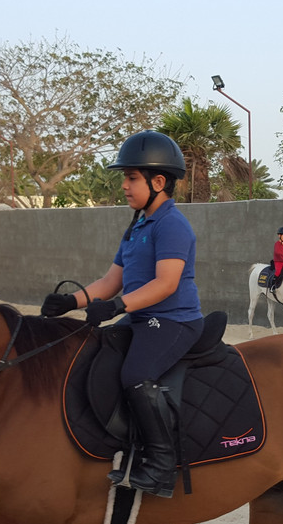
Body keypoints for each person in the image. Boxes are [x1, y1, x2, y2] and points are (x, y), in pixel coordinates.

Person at [40, 130, 203, 497]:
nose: (125, 186)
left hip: (172, 320)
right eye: (125, 178)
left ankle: (162, 465)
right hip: (141, 317)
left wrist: (117, 307)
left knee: (135, 373)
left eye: (131, 178)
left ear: (158, 181)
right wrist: (72, 301)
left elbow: (166, 284)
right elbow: (112, 280)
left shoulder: (172, 225)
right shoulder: (137, 226)